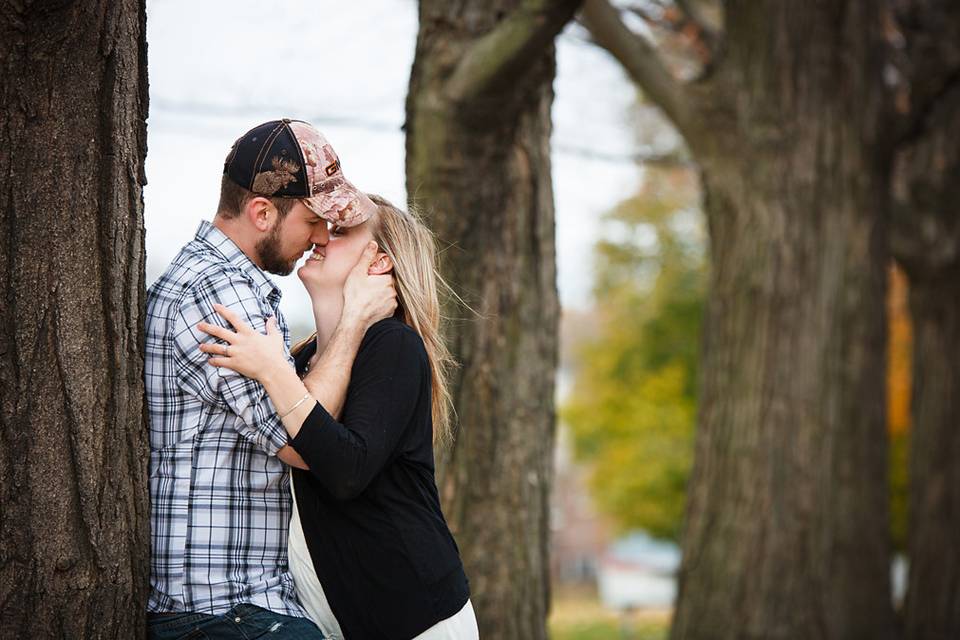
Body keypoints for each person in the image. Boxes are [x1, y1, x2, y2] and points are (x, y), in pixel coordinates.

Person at [145, 119, 396, 640]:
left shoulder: (221, 282)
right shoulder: (220, 294)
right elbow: (305, 441)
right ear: (262, 212)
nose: (323, 235)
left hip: (238, 605)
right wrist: (353, 323)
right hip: (221, 610)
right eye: (314, 219)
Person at [196, 194, 478, 639]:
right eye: (323, 225)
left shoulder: (393, 347)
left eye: (342, 231)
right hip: (343, 622)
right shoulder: (302, 359)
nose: (321, 236)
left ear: (379, 262)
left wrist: (271, 371)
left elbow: (347, 470)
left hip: (416, 619)